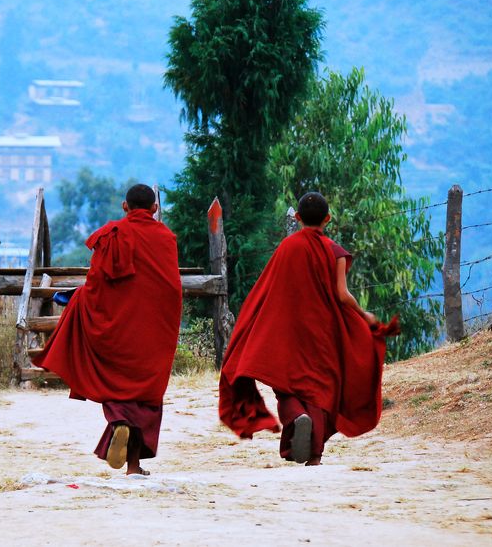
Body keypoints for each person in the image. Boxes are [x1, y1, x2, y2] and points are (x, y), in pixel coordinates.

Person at [218, 192, 399, 465]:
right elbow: (341, 295)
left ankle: (295, 417)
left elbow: (268, 289)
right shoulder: (335, 251)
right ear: (327, 219)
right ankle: (314, 456)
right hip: (322, 331)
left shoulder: (287, 248)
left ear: (297, 218)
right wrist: (363, 315)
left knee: (287, 385)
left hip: (288, 328)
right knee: (319, 389)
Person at [32, 184, 183, 475]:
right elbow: (170, 288)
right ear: (154, 209)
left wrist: (78, 300)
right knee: (146, 392)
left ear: (125, 207)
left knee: (114, 379)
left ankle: (119, 422)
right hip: (152, 329)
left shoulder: (113, 234)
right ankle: (134, 466)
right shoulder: (166, 238)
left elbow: (97, 284)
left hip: (116, 327)